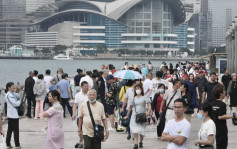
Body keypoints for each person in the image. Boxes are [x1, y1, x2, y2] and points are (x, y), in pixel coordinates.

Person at [126, 84, 151, 149]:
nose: (137, 90)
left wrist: (148, 111)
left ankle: (141, 142)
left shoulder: (145, 97)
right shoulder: (133, 98)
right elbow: (130, 107)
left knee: (141, 130)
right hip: (135, 115)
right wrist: (128, 115)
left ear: (141, 89)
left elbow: (149, 105)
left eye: (138, 88)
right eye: (136, 88)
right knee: (135, 130)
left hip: (142, 115)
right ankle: (135, 144)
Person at [211, 84, 236, 149]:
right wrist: (233, 116)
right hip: (221, 130)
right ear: (221, 93)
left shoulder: (211, 104)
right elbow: (221, 117)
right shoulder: (222, 104)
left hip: (212, 129)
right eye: (224, 91)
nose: (225, 92)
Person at [72, 81, 89, 148]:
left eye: (88, 86)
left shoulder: (90, 94)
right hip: (80, 115)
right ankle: (81, 141)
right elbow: (75, 104)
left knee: (88, 129)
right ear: (81, 87)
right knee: (80, 129)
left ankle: (87, 142)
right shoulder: (78, 95)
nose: (87, 88)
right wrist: (73, 113)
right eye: (85, 86)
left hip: (88, 115)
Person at [5, 82, 21, 148]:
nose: (13, 87)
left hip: (13, 114)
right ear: (9, 87)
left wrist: (18, 90)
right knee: (15, 131)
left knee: (10, 130)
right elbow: (15, 104)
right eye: (12, 86)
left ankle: (8, 144)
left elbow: (19, 95)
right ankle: (17, 144)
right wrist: (19, 101)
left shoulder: (12, 93)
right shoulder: (9, 95)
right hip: (12, 115)